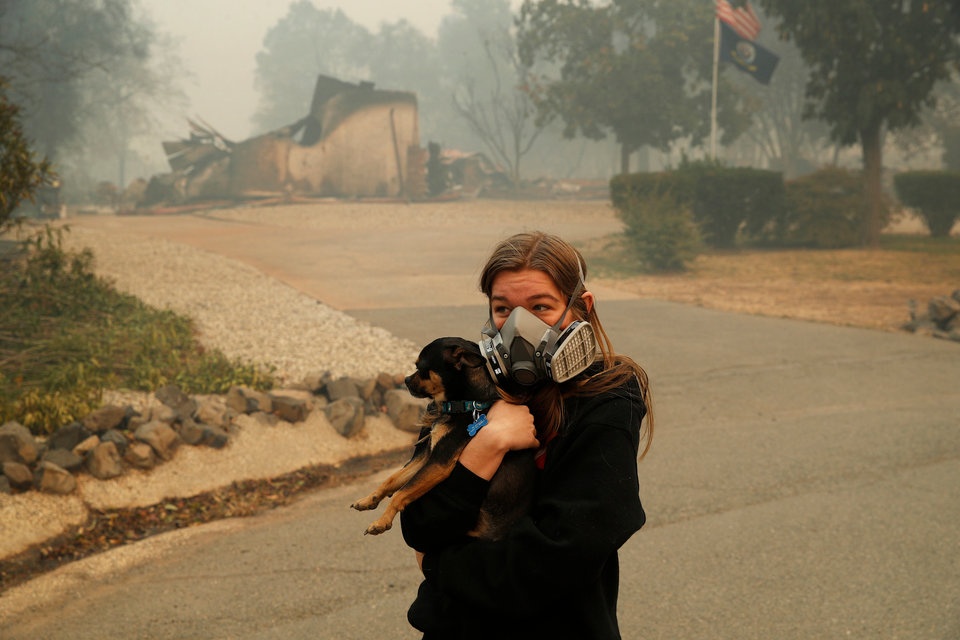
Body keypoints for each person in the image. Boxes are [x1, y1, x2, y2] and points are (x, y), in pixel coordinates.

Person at [400, 231, 653, 639]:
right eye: (503, 309)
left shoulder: (606, 400)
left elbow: (561, 557)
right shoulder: (470, 391)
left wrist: (439, 566)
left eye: (540, 307)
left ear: (582, 308)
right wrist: (488, 443)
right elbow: (419, 524)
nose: (520, 326)